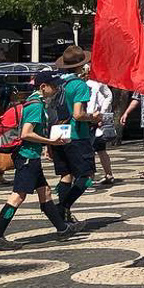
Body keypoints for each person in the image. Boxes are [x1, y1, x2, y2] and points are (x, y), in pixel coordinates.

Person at [0, 71, 80, 249]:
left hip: (30, 157)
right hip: (27, 157)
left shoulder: (34, 102)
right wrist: (50, 142)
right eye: (54, 86)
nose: (57, 89)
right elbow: (26, 133)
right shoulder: (36, 106)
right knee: (17, 197)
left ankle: (62, 229)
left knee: (45, 192)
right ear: (43, 87)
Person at [48, 46, 101, 224]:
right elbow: (78, 114)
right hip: (77, 135)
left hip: (58, 135)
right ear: (81, 65)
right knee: (87, 177)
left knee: (66, 175)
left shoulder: (57, 84)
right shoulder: (79, 85)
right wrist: (93, 117)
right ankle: (63, 207)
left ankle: (64, 215)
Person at [87, 78, 122, 186]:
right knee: (96, 149)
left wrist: (102, 113)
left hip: (95, 118)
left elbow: (109, 96)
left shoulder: (97, 82)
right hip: (87, 117)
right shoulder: (80, 81)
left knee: (96, 149)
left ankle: (102, 175)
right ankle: (105, 174)